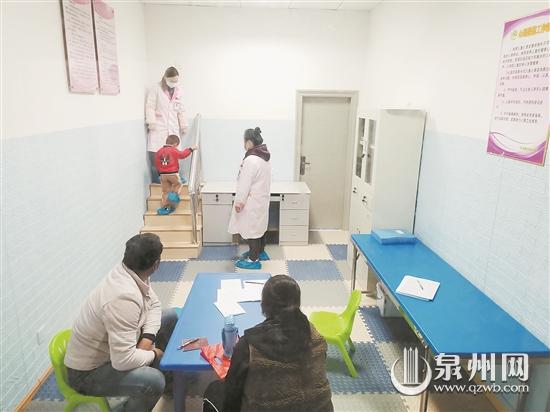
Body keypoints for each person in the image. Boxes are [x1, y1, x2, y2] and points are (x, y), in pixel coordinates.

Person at [64, 233, 178, 412]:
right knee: (154, 382)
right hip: (87, 374)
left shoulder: (132, 271)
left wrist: (147, 339)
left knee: (170, 316)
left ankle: (170, 384)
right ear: (156, 264)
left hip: (115, 350)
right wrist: (154, 354)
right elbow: (123, 361)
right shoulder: (123, 297)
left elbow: (154, 304)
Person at [203, 275, 334, 412]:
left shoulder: (248, 345)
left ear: (263, 305)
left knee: (214, 389)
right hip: (321, 408)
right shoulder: (315, 335)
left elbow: (232, 393)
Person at [228, 127, 271, 270]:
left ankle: (253, 259)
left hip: (251, 201)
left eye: (244, 141)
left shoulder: (251, 159)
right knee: (259, 227)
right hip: (262, 199)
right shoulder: (264, 157)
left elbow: (244, 184)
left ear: (249, 142)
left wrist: (239, 202)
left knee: (252, 230)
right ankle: (260, 252)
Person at [145, 66, 188, 184]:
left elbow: (181, 110)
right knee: (157, 157)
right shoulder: (156, 88)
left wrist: (183, 124)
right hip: (159, 128)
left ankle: (172, 179)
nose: (174, 83)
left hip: (172, 129)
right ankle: (158, 180)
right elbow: (150, 106)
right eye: (172, 80)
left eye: (176, 81)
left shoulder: (178, 91)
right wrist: (151, 121)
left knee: (173, 156)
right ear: (165, 77)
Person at [155, 134, 196, 215]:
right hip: (173, 173)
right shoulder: (173, 150)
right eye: (177, 145)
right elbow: (182, 155)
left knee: (165, 191)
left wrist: (159, 173)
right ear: (175, 144)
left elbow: (157, 163)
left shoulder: (159, 151)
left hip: (163, 175)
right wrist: (190, 149)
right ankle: (173, 195)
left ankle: (166, 207)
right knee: (178, 184)